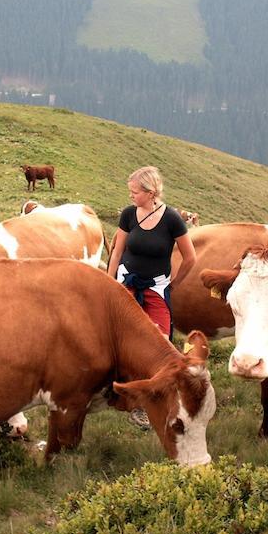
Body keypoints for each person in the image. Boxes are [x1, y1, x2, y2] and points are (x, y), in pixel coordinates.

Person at [108, 166, 197, 429]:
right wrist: (110, 281)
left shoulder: (171, 219)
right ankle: (119, 392)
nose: (131, 196)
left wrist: (173, 284)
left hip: (156, 287)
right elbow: (116, 252)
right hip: (126, 284)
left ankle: (151, 402)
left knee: (160, 342)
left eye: (135, 192)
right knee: (119, 338)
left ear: (150, 192)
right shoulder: (128, 215)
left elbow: (190, 257)